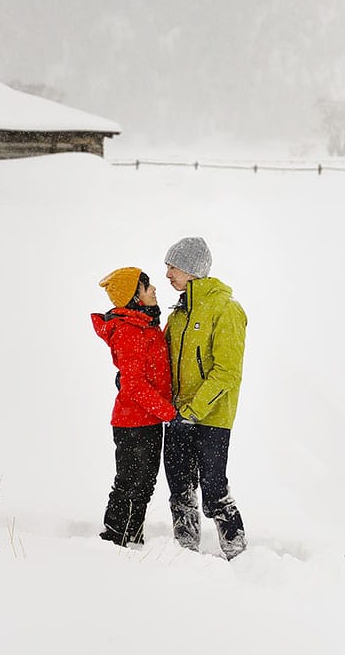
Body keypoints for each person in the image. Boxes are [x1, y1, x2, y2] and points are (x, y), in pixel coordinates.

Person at [162, 237, 247, 559]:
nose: (168, 274)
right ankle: (184, 553)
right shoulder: (179, 313)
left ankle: (237, 550)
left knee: (213, 488)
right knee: (180, 490)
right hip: (178, 414)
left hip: (211, 417)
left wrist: (194, 410)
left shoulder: (226, 309)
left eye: (172, 267)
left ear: (191, 269)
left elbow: (227, 372)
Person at [91, 267, 177, 547]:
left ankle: (131, 538)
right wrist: (169, 413)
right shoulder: (129, 330)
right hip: (133, 424)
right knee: (131, 484)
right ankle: (115, 538)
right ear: (134, 297)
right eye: (146, 286)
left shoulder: (144, 326)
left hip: (148, 421)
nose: (153, 289)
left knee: (143, 486)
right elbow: (133, 384)